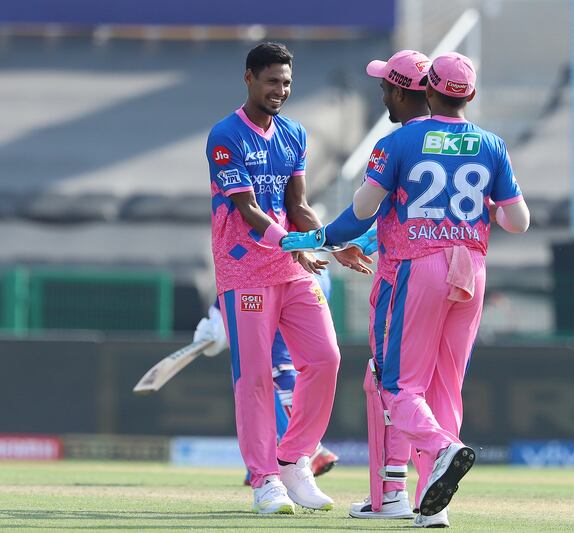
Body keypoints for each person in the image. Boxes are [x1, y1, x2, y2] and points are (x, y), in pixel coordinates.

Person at [350, 52, 530, 528]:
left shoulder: (402, 139)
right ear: (469, 96)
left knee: (399, 385)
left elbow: (364, 205)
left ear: (427, 90)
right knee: (446, 386)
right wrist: (483, 209)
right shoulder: (491, 144)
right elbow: (519, 221)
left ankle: (441, 448)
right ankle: (437, 506)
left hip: (419, 262)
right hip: (471, 266)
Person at [204, 41, 372, 516]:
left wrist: (330, 243)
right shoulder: (224, 135)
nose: (281, 90)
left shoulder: (294, 132)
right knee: (254, 377)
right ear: (249, 79)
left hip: (290, 267)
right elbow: (248, 208)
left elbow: (297, 206)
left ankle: (293, 458)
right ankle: (264, 481)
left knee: (325, 359)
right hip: (245, 270)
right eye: (272, 81)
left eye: (287, 83)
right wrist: (294, 244)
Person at [281, 49, 434, 521]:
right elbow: (395, 220)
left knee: (386, 384)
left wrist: (316, 239)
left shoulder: (397, 144)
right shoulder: (470, 141)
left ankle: (395, 490)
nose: (381, 91)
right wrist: (352, 243)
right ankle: (427, 500)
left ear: (399, 91)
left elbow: (361, 216)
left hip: (403, 280)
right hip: (458, 277)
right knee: (430, 388)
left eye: (386, 85)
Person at [192, 271, 340, 480]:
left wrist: (213, 323)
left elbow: (242, 269)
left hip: (273, 276)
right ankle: (265, 462)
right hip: (314, 273)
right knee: (282, 371)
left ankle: (308, 450)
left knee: (267, 375)